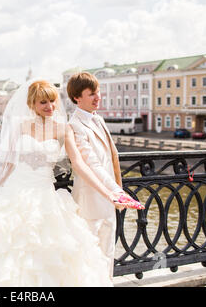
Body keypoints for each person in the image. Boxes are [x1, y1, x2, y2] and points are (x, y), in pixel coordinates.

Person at [0, 79, 133, 287]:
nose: (50, 106)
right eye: (43, 102)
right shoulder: (20, 126)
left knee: (50, 252)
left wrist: (108, 191)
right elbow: (8, 165)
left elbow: (79, 164)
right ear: (32, 105)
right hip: (16, 192)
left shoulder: (63, 129)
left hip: (46, 196)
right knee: (5, 253)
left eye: (52, 101)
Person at [67, 71, 126, 282]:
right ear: (77, 97)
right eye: (91, 93)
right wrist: (116, 191)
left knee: (108, 254)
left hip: (109, 200)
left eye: (98, 92)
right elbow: (91, 164)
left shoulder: (98, 120)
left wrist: (116, 191)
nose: (97, 97)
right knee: (89, 257)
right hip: (90, 201)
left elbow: (112, 159)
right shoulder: (74, 125)